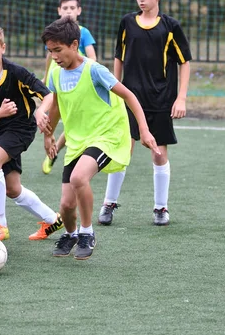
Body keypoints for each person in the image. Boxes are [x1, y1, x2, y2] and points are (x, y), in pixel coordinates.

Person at [39, 17, 160, 260]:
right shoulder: (56, 74)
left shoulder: (94, 70)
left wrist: (144, 131)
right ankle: (72, 234)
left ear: (74, 45)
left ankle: (87, 233)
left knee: (79, 178)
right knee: (66, 206)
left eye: (58, 50)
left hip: (106, 136)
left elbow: (130, 97)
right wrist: (49, 135)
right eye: (50, 51)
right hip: (76, 142)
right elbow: (57, 106)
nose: (54, 57)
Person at [97, 0, 192, 227]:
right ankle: (109, 203)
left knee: (159, 154)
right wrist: (114, 91)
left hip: (160, 100)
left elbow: (185, 63)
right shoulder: (127, 23)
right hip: (129, 98)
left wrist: (181, 98)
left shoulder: (170, 27)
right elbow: (118, 57)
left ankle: (161, 208)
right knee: (121, 151)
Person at [0, 25, 64, 242]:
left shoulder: (17, 73)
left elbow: (48, 95)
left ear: (3, 48)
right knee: (12, 189)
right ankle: (52, 219)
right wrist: (1, 112)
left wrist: (41, 110)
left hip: (22, 127)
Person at [41, 0, 97, 176]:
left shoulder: (84, 32)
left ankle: (56, 151)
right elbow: (50, 56)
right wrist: (45, 76)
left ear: (79, 11)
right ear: (59, 10)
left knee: (73, 121)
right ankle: (55, 148)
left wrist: (92, 74)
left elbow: (92, 56)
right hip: (61, 84)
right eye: (65, 8)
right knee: (61, 117)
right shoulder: (55, 34)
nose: (68, 11)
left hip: (80, 85)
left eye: (72, 8)